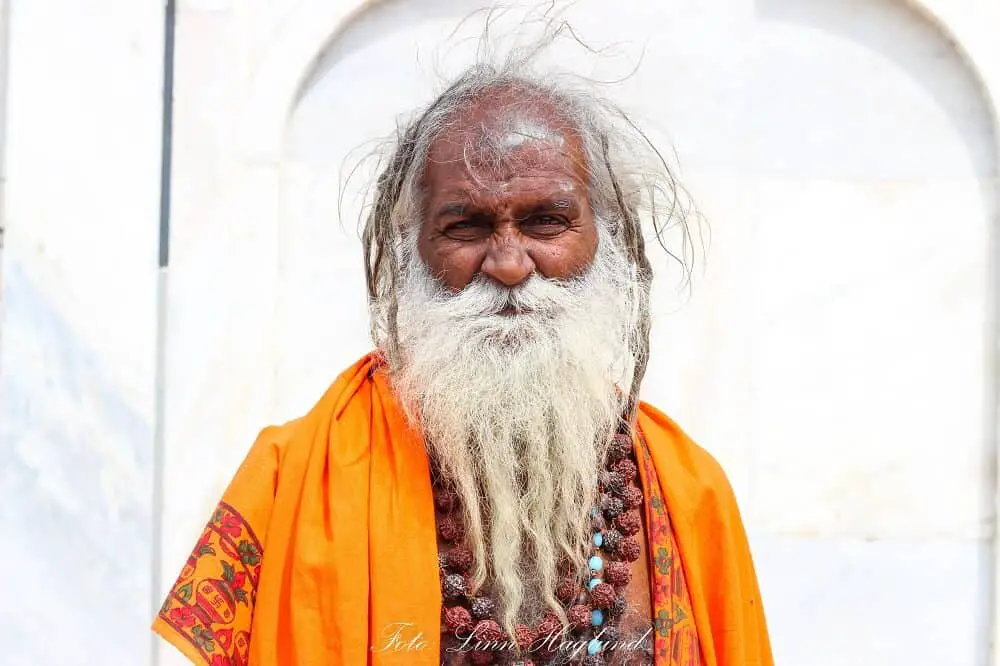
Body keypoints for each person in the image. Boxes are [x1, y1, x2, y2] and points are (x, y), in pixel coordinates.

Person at [152, 54, 774, 666]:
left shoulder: (691, 495)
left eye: (547, 222)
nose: (508, 266)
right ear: (410, 252)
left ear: (604, 238)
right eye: (466, 227)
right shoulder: (292, 477)